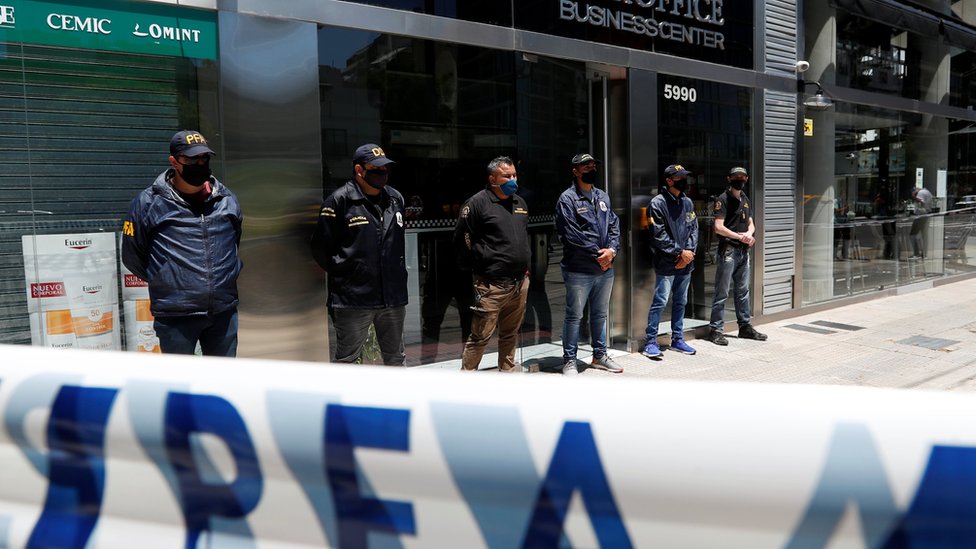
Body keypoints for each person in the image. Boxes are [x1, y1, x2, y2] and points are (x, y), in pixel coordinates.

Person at [122, 130, 243, 356]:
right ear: (174, 162)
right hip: (175, 315)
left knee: (224, 380)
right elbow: (133, 256)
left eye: (203, 158)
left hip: (223, 312)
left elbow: (234, 243)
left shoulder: (227, 200)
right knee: (180, 385)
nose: (199, 163)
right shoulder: (148, 203)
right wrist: (168, 279)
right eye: (191, 159)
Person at [310, 144, 408, 366]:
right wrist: (349, 273)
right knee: (348, 360)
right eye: (376, 169)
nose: (382, 174)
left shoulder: (395, 199)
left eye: (385, 169)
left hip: (392, 296)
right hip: (353, 298)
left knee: (396, 358)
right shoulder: (339, 201)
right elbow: (321, 248)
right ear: (359, 170)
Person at [453, 156, 531, 372]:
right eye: (507, 176)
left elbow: (522, 238)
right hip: (491, 286)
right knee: (480, 337)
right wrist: (480, 268)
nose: (513, 179)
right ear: (492, 178)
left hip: (519, 283)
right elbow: (463, 239)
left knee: (510, 334)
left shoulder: (520, 203)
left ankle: (507, 373)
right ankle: (467, 382)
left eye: (514, 175)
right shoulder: (477, 203)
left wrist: (526, 273)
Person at [554, 153, 622, 376]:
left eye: (593, 165)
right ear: (575, 171)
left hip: (605, 268)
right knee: (575, 316)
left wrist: (611, 251)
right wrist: (599, 255)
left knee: (600, 315)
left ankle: (599, 355)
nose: (591, 168)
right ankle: (570, 360)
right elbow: (571, 234)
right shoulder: (568, 199)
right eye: (586, 166)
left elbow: (614, 225)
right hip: (579, 269)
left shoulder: (602, 196)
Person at [642, 164, 699, 359]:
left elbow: (694, 228)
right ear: (668, 180)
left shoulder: (687, 202)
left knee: (680, 302)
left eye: (685, 176)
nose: (684, 180)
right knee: (660, 302)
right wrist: (679, 253)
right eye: (680, 177)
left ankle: (678, 339)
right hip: (667, 262)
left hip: (685, 262)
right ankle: (650, 341)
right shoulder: (657, 204)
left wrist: (689, 253)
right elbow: (658, 236)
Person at [705, 167, 768, 345]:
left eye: (742, 176)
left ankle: (745, 327)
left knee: (743, 291)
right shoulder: (723, 199)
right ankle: (715, 330)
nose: (739, 179)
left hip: (743, 251)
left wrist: (749, 234)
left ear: (746, 179)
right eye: (736, 177)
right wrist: (741, 236)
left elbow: (751, 223)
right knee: (722, 291)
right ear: (729, 178)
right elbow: (718, 227)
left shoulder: (745, 199)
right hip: (729, 251)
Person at [910, 186, 933, 259]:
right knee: (924, 235)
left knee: (912, 234)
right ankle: (924, 253)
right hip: (927, 214)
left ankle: (916, 253)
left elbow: (922, 202)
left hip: (921, 215)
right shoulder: (928, 192)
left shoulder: (920, 193)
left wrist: (914, 197)